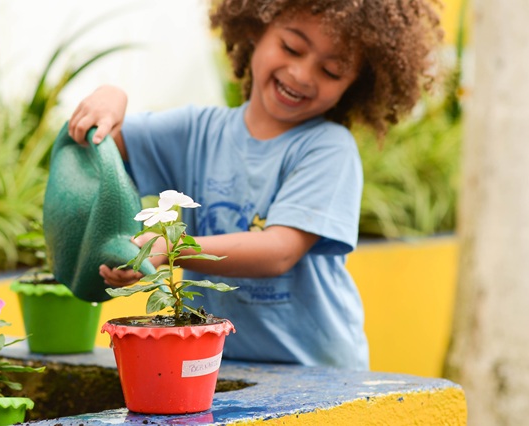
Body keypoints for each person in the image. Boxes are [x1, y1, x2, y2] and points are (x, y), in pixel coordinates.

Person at [68, 0, 443, 370]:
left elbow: (279, 250)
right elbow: (104, 143)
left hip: (317, 373)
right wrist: (110, 98)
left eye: (331, 71)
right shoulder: (197, 132)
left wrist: (168, 247)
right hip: (219, 367)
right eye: (291, 47)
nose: (301, 74)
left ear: (357, 86)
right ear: (254, 28)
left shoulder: (328, 149)